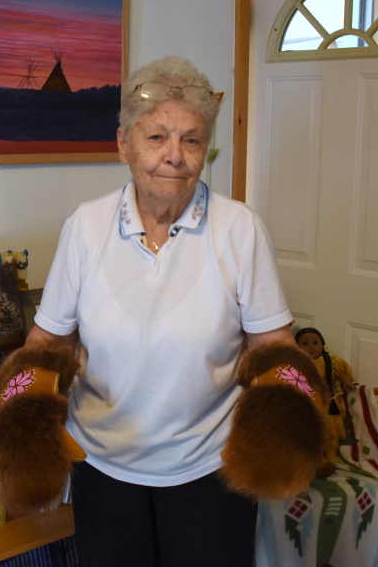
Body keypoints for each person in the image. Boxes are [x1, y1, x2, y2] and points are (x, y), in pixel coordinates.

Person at [23, 56, 297, 567]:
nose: (175, 156)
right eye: (157, 138)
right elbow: (49, 343)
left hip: (211, 471)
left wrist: (292, 425)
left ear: (205, 150)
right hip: (102, 469)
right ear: (123, 143)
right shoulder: (86, 227)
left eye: (191, 140)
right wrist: (19, 424)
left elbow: (273, 347)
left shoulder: (240, 229)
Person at [295, 327, 355, 471]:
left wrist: (347, 381)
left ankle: (331, 452)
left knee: (331, 427)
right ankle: (317, 455)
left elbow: (340, 373)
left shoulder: (331, 362)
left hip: (328, 404)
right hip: (309, 404)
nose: (311, 347)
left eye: (315, 342)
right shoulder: (298, 365)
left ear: (323, 345)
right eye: (305, 344)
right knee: (313, 430)